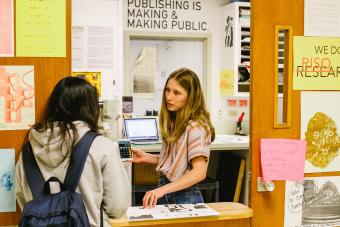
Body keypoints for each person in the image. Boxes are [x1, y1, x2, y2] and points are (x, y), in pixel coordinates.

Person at [15, 76, 131, 227]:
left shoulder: (28, 150)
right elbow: (118, 207)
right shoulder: (100, 146)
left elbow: (23, 200)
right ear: (91, 108)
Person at [131, 67, 215, 208]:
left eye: (177, 93)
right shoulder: (175, 121)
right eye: (167, 90)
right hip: (168, 190)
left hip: (184, 195)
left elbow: (199, 172)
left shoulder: (196, 127)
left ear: (191, 97)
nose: (169, 97)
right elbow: (177, 162)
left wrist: (161, 191)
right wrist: (146, 157)